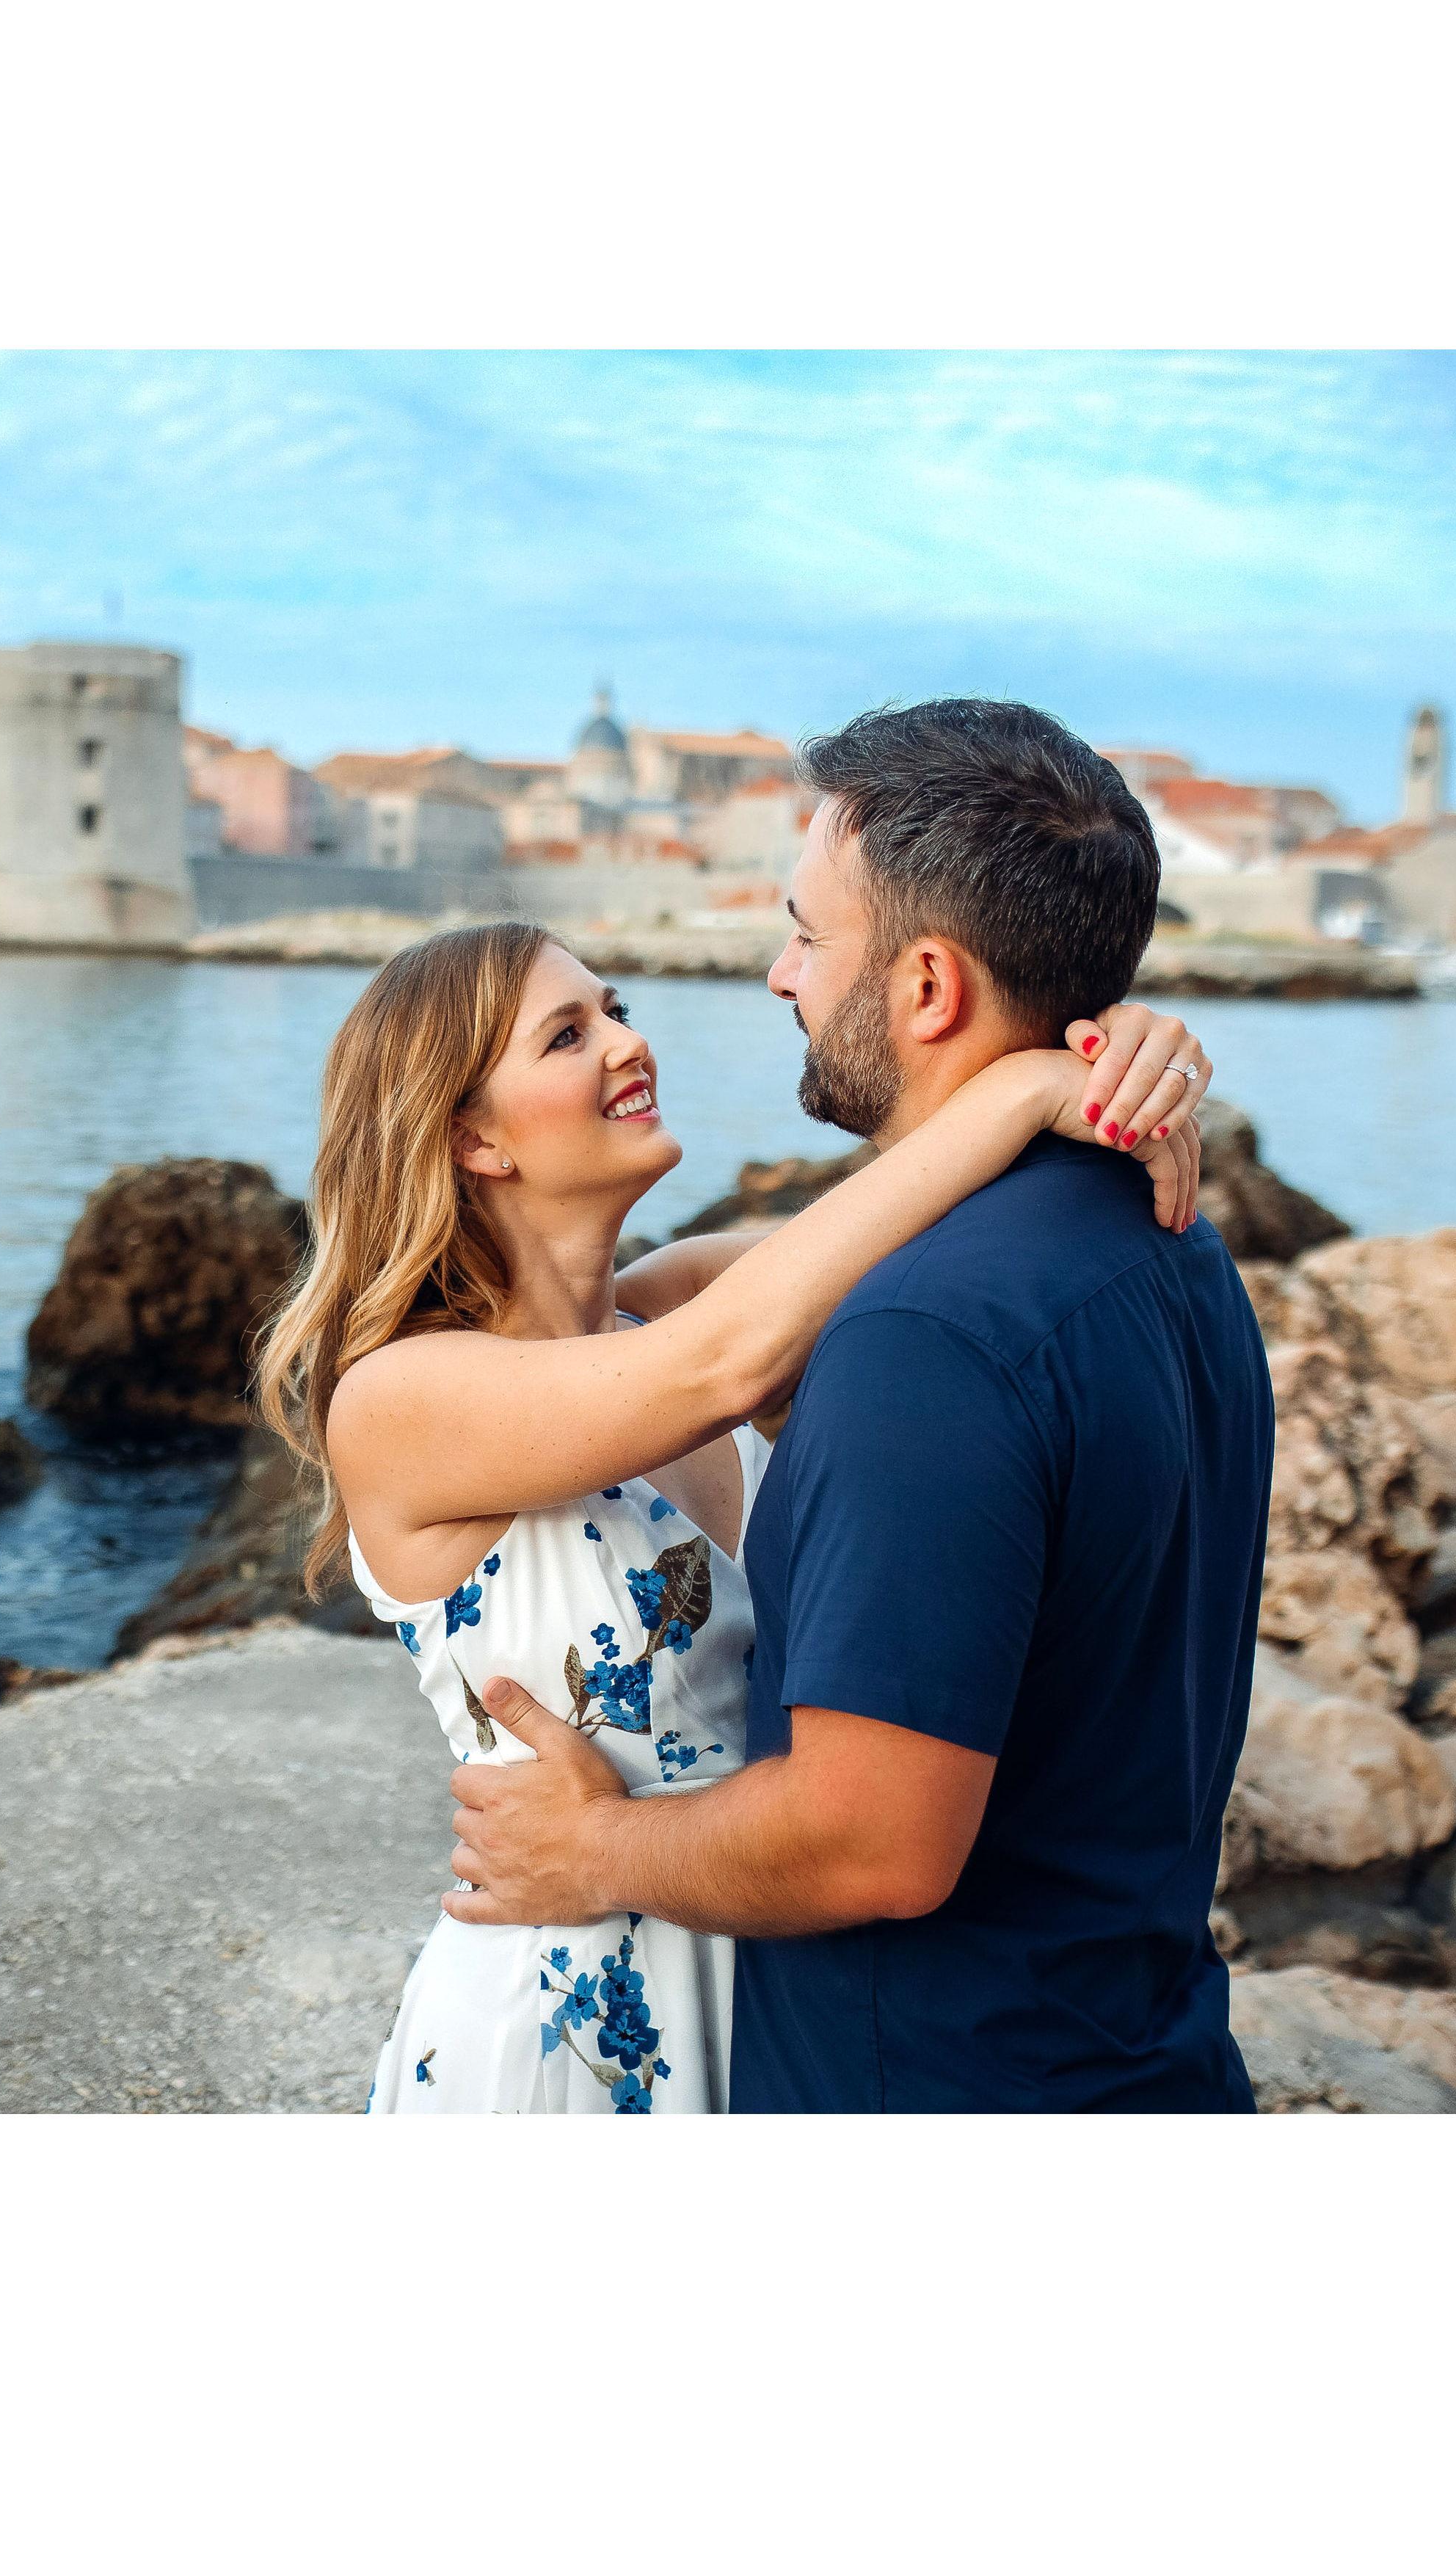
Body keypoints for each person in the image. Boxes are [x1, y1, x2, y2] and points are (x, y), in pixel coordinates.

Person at [255, 736, 1215, 2113]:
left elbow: (915, 1242)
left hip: (747, 1971)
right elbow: (732, 1358)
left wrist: (1109, 1041)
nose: (631, 1043)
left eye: (616, 1007)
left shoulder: (666, 1309)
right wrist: (1019, 1090)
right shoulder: (405, 1399)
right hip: (562, 2013)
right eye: (569, 1035)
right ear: (474, 1139)